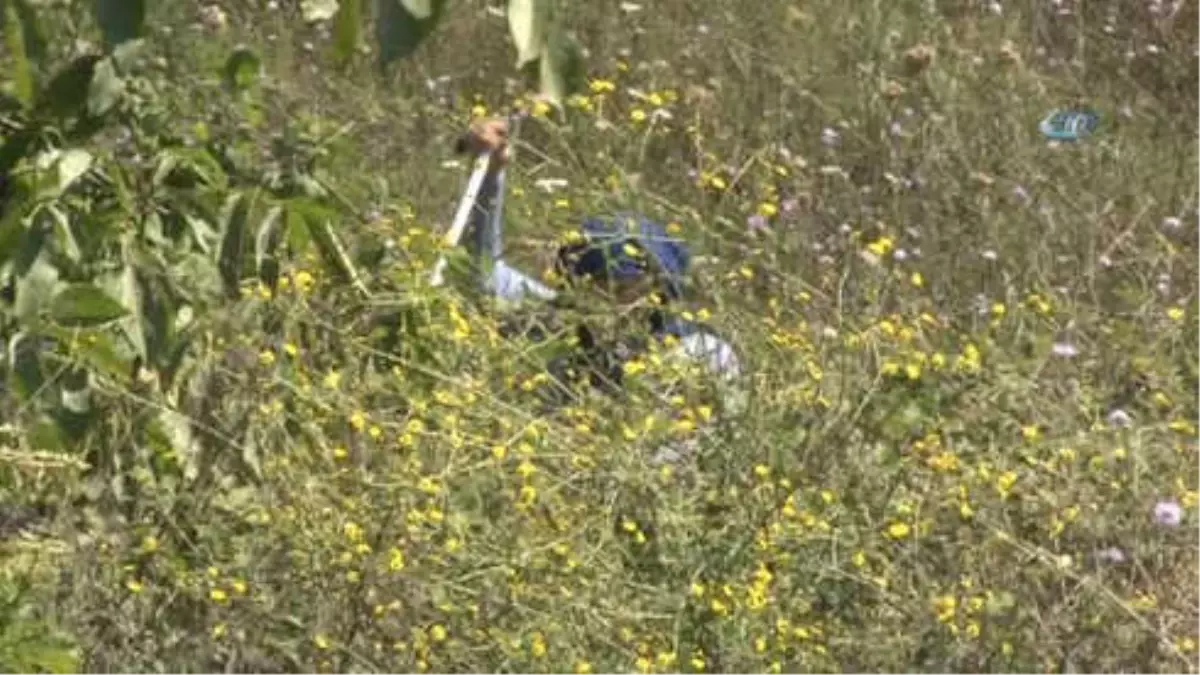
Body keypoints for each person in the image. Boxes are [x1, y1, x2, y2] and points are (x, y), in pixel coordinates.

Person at [454, 117, 746, 442]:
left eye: (625, 288)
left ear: (658, 288)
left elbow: (707, 452)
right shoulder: (559, 328)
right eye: (595, 285)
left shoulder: (700, 354)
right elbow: (481, 275)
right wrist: (489, 176)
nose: (610, 303)